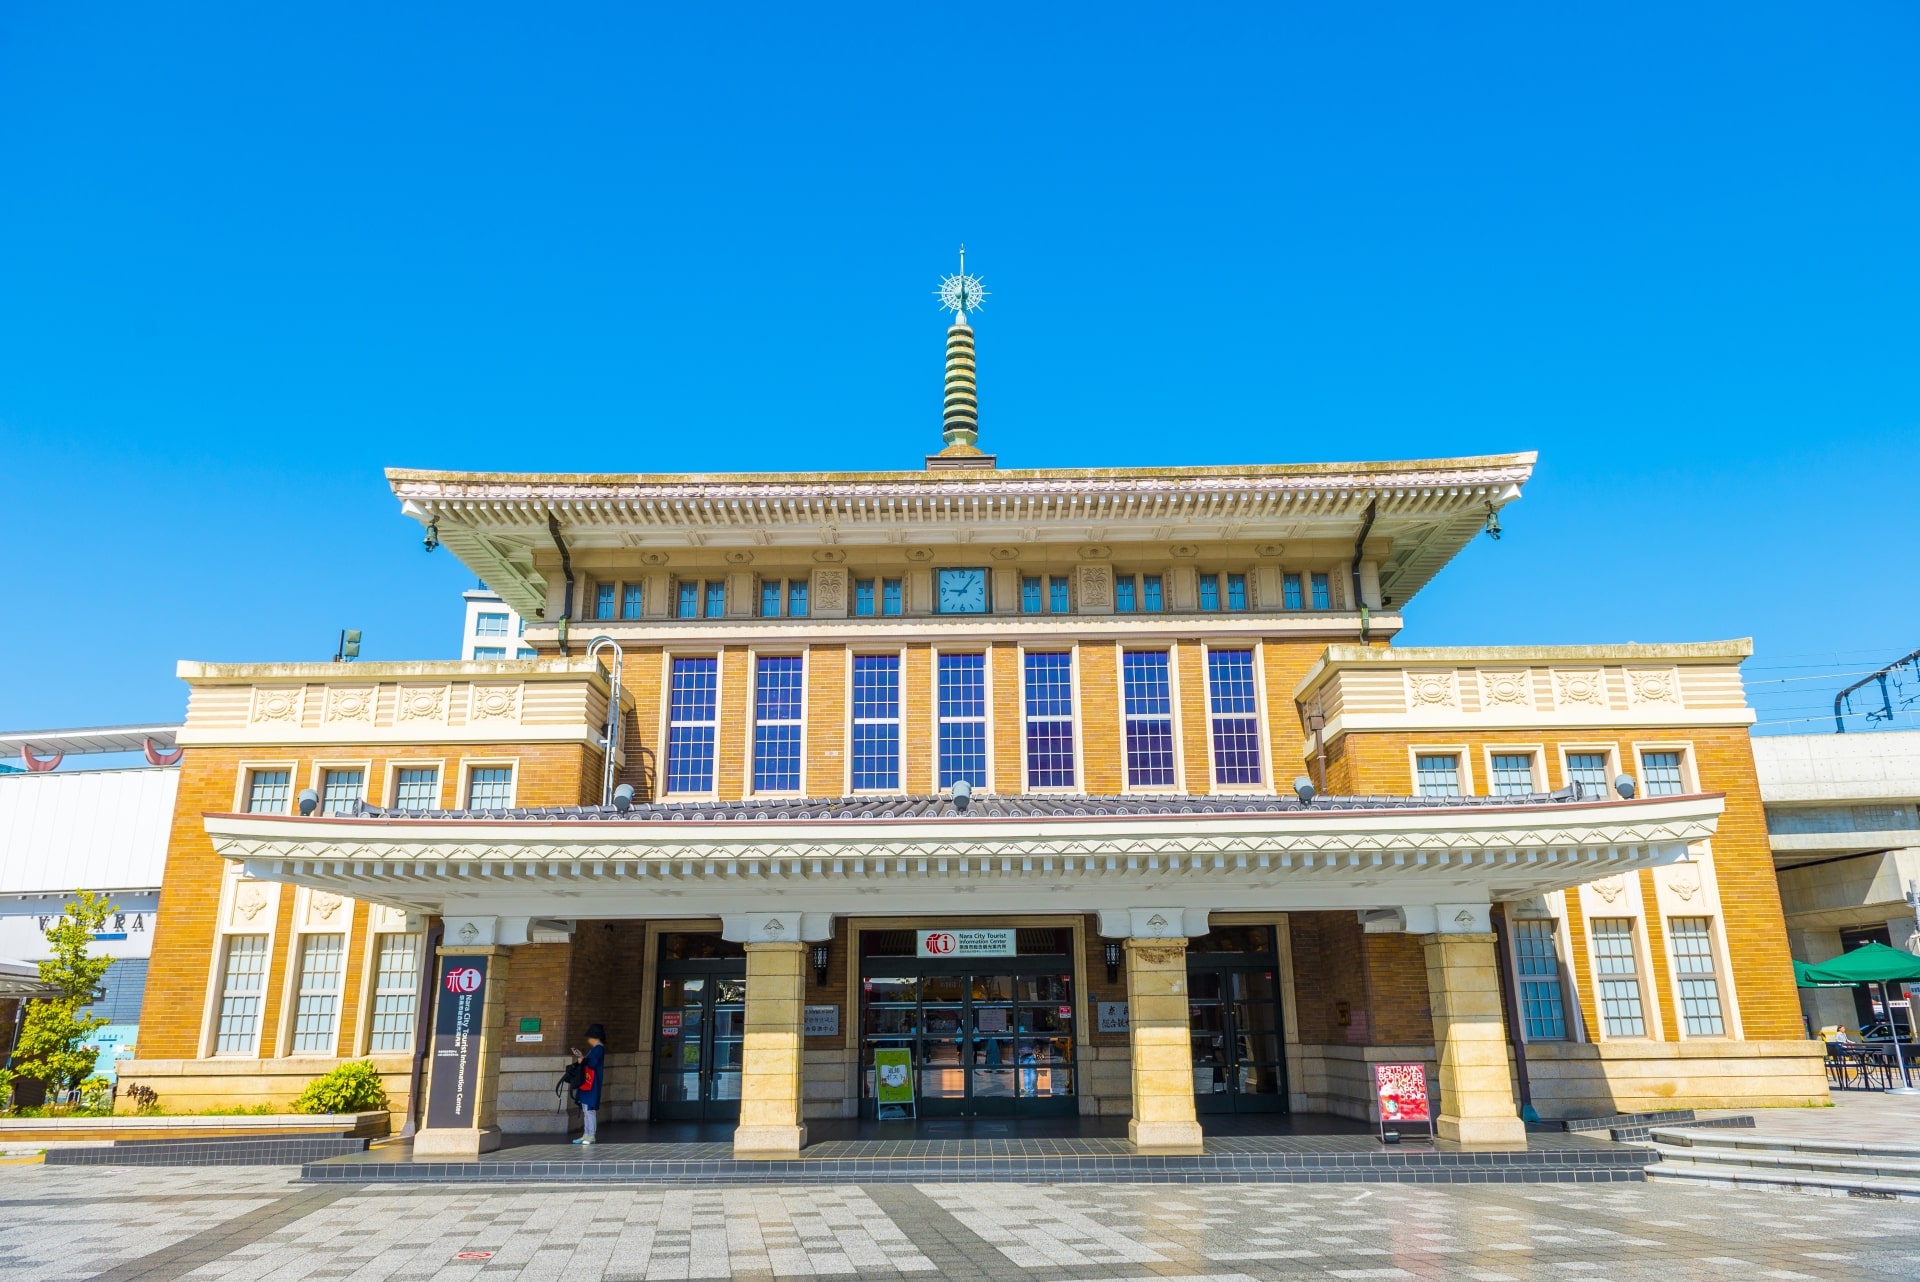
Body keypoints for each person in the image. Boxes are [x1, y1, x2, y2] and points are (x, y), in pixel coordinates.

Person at [570, 1024, 605, 1145]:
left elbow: (592, 1064)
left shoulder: (598, 1049)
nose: (588, 1040)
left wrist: (582, 1059)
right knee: (586, 1109)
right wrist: (582, 1057)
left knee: (589, 1110)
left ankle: (591, 1135)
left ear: (595, 1037)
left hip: (592, 1083)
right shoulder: (596, 1048)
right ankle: (586, 1134)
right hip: (589, 1082)